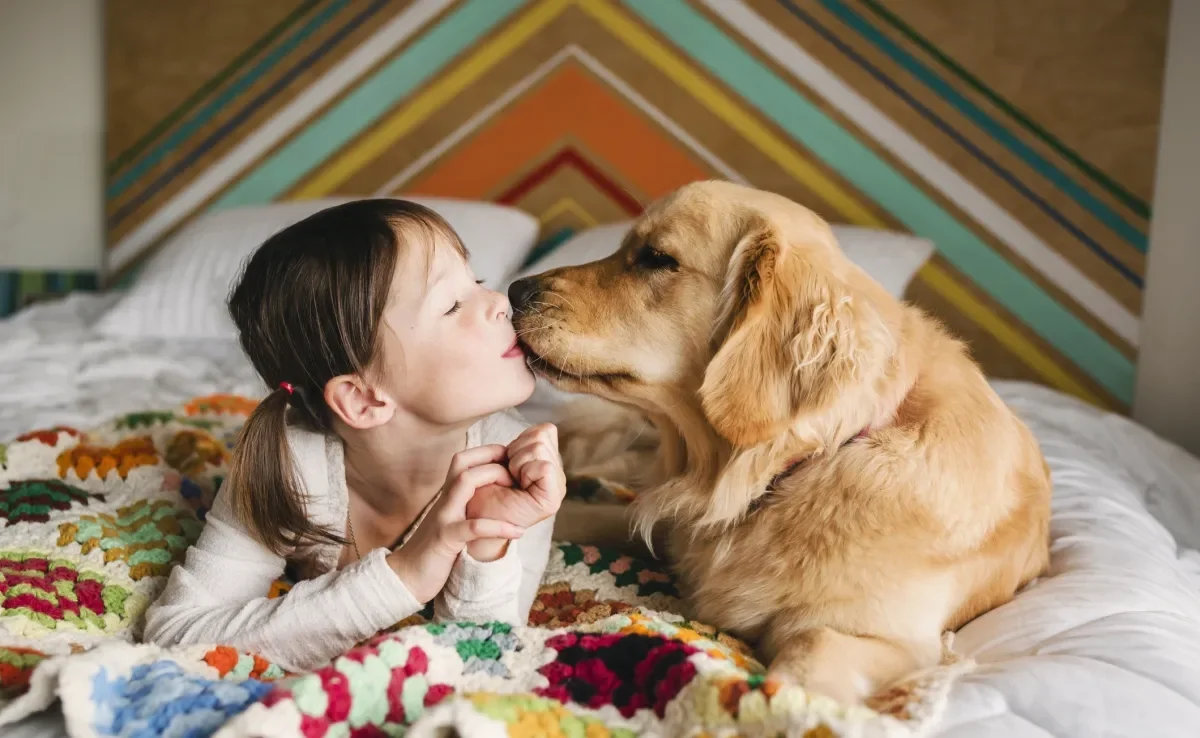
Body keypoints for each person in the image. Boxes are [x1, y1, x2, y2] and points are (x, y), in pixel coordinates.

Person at [143, 199, 564, 671]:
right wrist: (404, 575)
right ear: (363, 400)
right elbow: (176, 634)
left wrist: (490, 538)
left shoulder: (518, 463)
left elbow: (483, 661)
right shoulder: (289, 463)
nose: (500, 302)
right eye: (451, 305)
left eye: (478, 281)